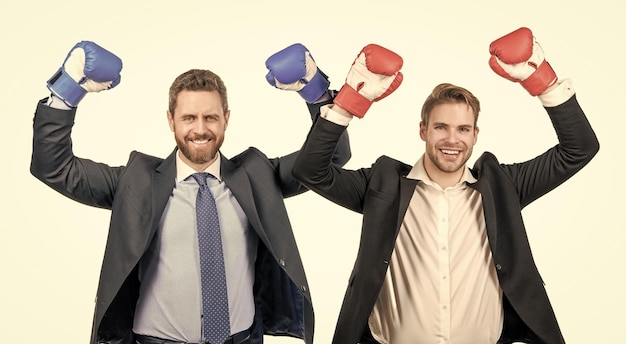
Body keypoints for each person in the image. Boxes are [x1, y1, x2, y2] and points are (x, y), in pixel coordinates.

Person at [286, 28, 600, 344]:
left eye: (463, 129)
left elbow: (579, 149)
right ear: (423, 131)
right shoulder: (384, 186)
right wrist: (348, 102)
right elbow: (311, 170)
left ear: (475, 135)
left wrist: (542, 80)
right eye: (441, 127)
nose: (452, 139)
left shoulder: (502, 187)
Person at [30, 41, 350, 344]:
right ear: (171, 120)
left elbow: (330, 160)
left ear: (226, 119)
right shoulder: (136, 180)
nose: (200, 129)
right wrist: (67, 91)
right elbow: (55, 168)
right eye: (188, 118)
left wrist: (317, 92)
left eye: (210, 117)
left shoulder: (257, 174)